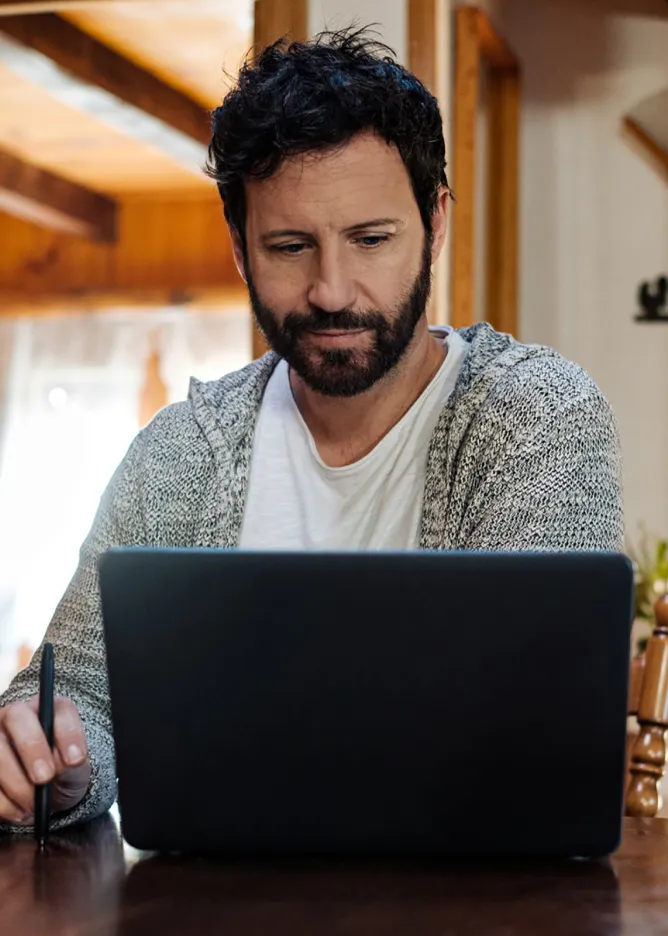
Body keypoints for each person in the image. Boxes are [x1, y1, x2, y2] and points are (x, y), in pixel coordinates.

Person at [0, 28, 623, 831]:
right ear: (239, 249)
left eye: (370, 240)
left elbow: (530, 725)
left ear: (434, 224)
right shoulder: (181, 451)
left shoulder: (535, 416)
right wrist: (51, 766)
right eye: (290, 247)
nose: (331, 290)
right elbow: (78, 694)